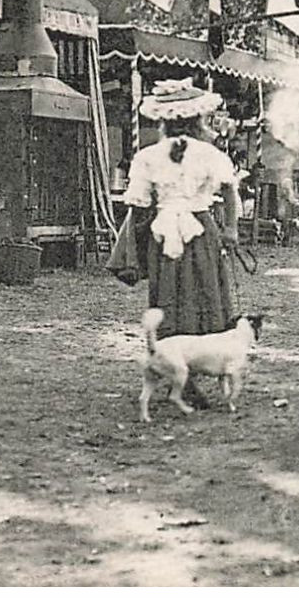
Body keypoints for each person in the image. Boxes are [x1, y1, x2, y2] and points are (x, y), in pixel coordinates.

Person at [121, 80, 242, 405]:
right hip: (200, 230)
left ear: (163, 122)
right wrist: (230, 228)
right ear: (197, 120)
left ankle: (179, 362)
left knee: (169, 295)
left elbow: (138, 204)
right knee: (206, 294)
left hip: (165, 234)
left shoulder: (147, 156)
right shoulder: (210, 153)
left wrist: (138, 242)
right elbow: (230, 191)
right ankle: (196, 367)